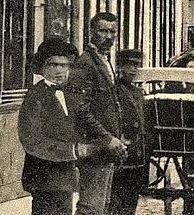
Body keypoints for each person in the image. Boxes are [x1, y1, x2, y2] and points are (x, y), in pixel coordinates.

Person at [18, 38, 95, 215]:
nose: (59, 71)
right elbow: (31, 139)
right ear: (42, 67)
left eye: (65, 65)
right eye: (53, 65)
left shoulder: (69, 95)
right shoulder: (35, 96)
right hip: (43, 177)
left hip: (65, 177)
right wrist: (71, 150)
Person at [70, 12, 127, 215]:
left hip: (107, 148)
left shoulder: (104, 61)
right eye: (103, 31)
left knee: (101, 206)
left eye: (113, 32)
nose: (109, 36)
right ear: (91, 32)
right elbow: (80, 109)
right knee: (91, 208)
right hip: (95, 148)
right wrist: (107, 138)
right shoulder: (86, 63)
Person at [108, 50, 146, 215]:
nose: (132, 70)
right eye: (128, 65)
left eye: (136, 66)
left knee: (131, 199)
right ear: (120, 67)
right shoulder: (114, 90)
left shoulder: (139, 92)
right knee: (116, 198)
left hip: (137, 154)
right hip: (121, 152)